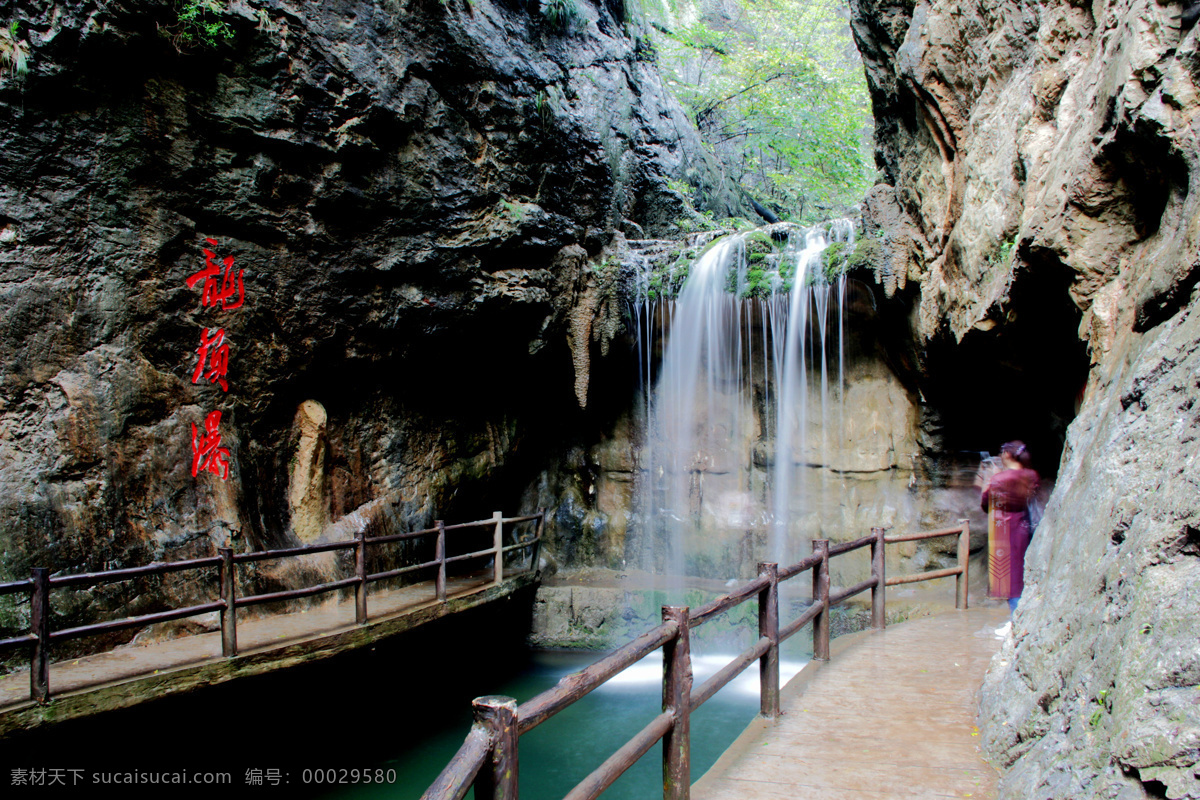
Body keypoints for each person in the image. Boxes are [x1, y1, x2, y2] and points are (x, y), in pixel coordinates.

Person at [980, 441, 1039, 620]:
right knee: (1022, 574)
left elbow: (986, 504)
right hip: (1025, 526)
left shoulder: (1000, 479)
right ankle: (1022, 617)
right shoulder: (1032, 475)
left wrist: (989, 480)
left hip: (1004, 530)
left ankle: (1016, 619)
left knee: (1009, 579)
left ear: (1006, 455)